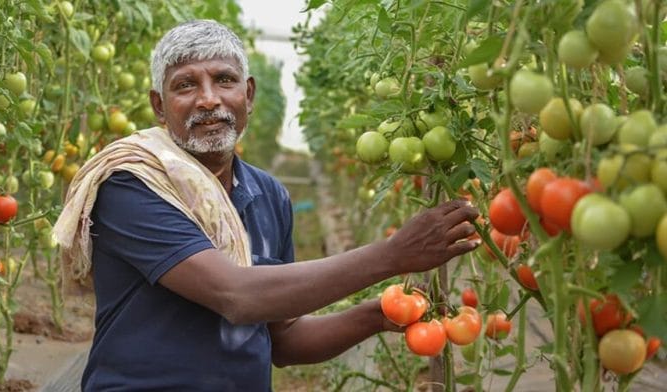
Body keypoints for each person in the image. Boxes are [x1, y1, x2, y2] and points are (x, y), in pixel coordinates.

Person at [52, 19, 480, 391]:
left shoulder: (268, 193)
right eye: (185, 84)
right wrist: (393, 256)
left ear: (248, 95)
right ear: (159, 107)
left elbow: (285, 340)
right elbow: (236, 295)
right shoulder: (131, 182)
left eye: (224, 80)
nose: (208, 99)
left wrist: (379, 315)